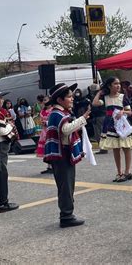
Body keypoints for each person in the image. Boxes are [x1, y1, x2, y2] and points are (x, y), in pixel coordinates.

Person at [44, 83, 90, 227]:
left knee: (67, 185)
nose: (72, 99)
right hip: (62, 154)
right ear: (59, 100)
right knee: (66, 186)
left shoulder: (60, 112)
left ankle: (67, 213)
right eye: (69, 96)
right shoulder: (57, 114)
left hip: (63, 154)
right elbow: (66, 130)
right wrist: (82, 119)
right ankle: (66, 216)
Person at [92, 77, 132, 182]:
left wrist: (123, 112)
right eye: (115, 84)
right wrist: (99, 92)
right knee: (116, 148)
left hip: (122, 125)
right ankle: (119, 172)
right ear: (109, 86)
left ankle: (127, 172)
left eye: (119, 83)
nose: (118, 85)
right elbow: (95, 103)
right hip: (110, 125)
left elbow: (130, 112)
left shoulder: (123, 97)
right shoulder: (105, 98)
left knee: (126, 148)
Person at [88, 84, 107, 155]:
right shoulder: (97, 97)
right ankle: (103, 148)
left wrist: (98, 94)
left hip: (100, 116)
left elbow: (95, 104)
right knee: (98, 133)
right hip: (97, 117)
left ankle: (103, 148)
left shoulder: (100, 97)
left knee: (99, 133)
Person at [36, 96, 53, 174]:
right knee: (46, 150)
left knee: (51, 148)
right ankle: (49, 166)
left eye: (46, 100)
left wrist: (46, 122)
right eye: (44, 100)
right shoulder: (43, 111)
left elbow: (53, 121)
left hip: (50, 131)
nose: (44, 101)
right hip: (44, 132)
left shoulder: (52, 110)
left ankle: (53, 166)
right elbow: (40, 120)